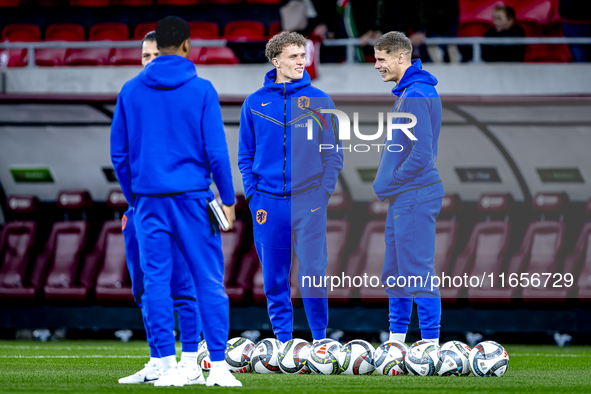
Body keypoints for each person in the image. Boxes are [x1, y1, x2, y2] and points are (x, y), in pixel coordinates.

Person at [110, 16, 240, 387]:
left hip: (148, 202)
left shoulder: (130, 91)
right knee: (209, 281)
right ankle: (215, 367)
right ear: (186, 46)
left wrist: (137, 197)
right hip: (194, 201)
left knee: (155, 283)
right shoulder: (202, 90)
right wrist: (227, 198)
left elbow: (118, 155)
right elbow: (215, 151)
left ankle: (165, 364)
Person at [238, 31, 343, 344]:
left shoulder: (321, 101)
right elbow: (245, 156)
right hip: (268, 204)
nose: (301, 62)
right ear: (276, 61)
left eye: (303, 55)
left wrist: (323, 193)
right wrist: (254, 197)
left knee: (312, 275)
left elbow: (334, 154)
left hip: (309, 201)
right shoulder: (254, 103)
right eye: (294, 56)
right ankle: (284, 342)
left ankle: (321, 341)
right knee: (274, 278)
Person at [117, 31, 203, 385]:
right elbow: (120, 153)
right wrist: (135, 199)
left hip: (178, 205)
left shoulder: (189, 95)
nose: (150, 61)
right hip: (142, 207)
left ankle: (192, 360)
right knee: (145, 287)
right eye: (144, 56)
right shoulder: (133, 95)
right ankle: (157, 359)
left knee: (182, 286)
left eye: (155, 54)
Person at [372, 31, 445, 345]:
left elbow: (423, 153)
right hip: (404, 197)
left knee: (417, 272)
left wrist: (392, 181)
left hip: (415, 195)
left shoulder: (416, 94)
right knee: (396, 274)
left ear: (401, 57)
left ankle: (429, 345)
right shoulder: (411, 92)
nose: (376, 66)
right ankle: (397, 343)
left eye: (381, 59)